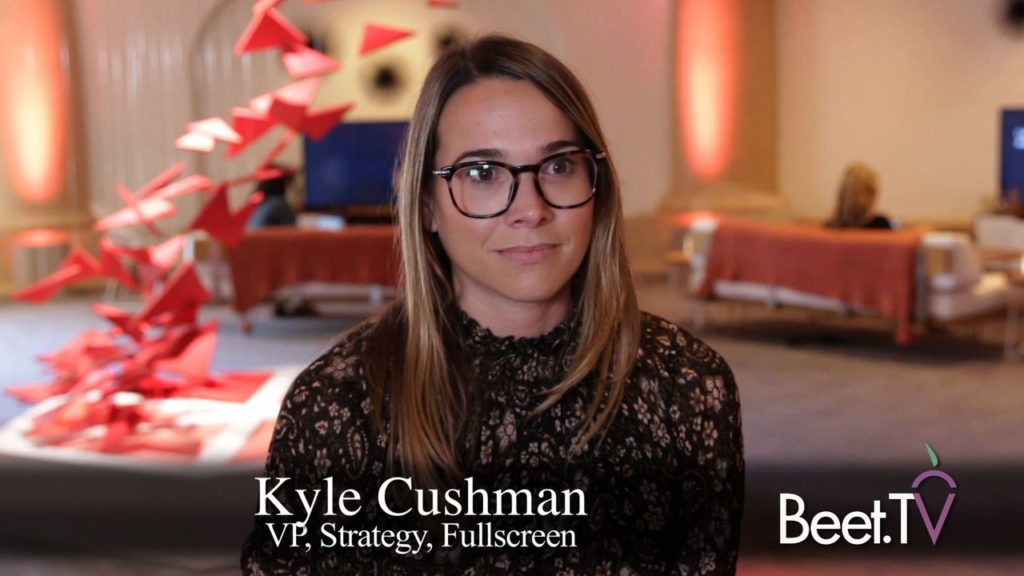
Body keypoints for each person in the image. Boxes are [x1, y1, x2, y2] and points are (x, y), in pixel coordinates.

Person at [241, 35, 743, 575]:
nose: (530, 209)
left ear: (596, 186)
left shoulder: (687, 383)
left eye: (558, 166)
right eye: (482, 173)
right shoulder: (336, 403)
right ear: (427, 205)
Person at [826, 163, 895, 229]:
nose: (873, 196)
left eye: (873, 191)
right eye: (868, 189)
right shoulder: (829, 227)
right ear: (851, 193)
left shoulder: (880, 225)